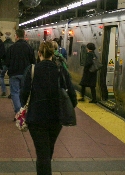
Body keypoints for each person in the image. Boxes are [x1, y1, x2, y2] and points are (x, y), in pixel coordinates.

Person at [20, 40, 77, 175]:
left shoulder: (32, 70)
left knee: (42, 152)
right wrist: (68, 107)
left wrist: (27, 107)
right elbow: (72, 96)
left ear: (39, 54)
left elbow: (23, 94)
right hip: (56, 117)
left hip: (36, 118)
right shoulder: (60, 69)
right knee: (48, 148)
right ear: (53, 54)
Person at [6, 29, 35, 116]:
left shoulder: (11, 48)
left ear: (17, 36)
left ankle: (19, 113)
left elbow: (7, 62)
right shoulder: (29, 48)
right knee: (24, 93)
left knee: (15, 93)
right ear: (24, 35)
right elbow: (33, 62)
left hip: (14, 73)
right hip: (26, 74)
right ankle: (23, 111)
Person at [0, 31, 14, 97]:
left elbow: (1, 54)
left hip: (4, 63)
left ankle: (4, 91)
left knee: (1, 76)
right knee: (11, 77)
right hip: (11, 63)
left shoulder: (3, 44)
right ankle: (11, 93)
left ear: (5, 37)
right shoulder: (14, 44)